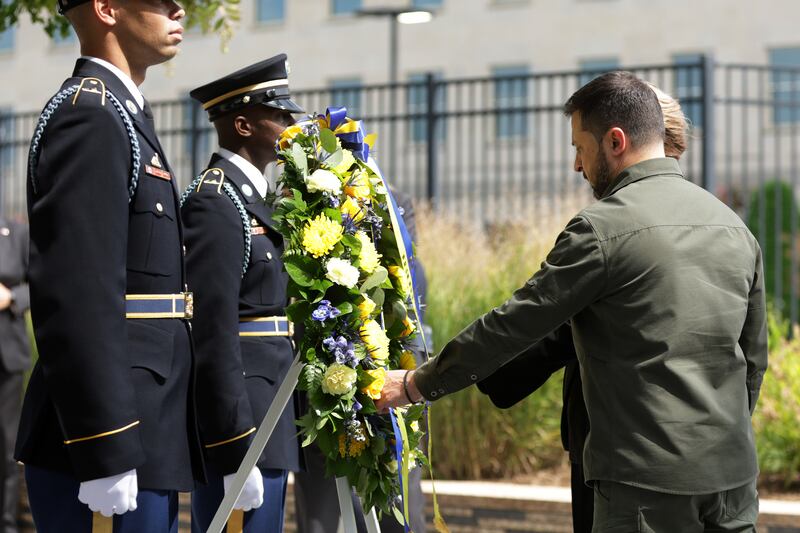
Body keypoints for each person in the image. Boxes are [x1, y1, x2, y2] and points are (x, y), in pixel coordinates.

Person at [378, 71, 767, 532]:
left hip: (645, 487)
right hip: (733, 482)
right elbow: (752, 361)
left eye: (580, 148)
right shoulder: (733, 226)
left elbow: (514, 324)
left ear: (615, 141)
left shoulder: (602, 228)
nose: (577, 166)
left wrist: (417, 383)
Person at [15, 1, 205, 532]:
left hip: (146, 426)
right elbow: (77, 291)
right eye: (161, 0)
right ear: (107, 9)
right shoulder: (92, 114)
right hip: (108, 439)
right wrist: (105, 443)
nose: (179, 9)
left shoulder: (122, 112)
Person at [476, 82, 690, 533]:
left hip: (615, 453)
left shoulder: (616, 228)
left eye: (582, 148)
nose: (578, 164)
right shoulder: (708, 224)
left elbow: (556, 324)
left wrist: (482, 371)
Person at [182, 54, 304, 533]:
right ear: (243, 124)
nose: (290, 124)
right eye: (279, 115)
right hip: (244, 418)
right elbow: (212, 329)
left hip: (270, 404)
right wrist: (235, 444)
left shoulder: (258, 199)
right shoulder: (214, 199)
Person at [293, 188, 428, 533]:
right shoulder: (306, 195)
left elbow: (407, 277)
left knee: (397, 473)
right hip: (328, 354)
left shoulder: (391, 200)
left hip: (391, 352)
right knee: (323, 482)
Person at [0, 215, 29, 533]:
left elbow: (40, 283)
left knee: (6, 446)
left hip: (6, 356)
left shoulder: (16, 232)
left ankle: (7, 522)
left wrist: (12, 298)